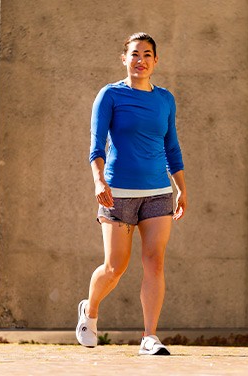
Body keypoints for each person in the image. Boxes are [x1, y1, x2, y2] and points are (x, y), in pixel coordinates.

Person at [75, 32, 189, 356]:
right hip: (118, 193)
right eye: (135, 54)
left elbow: (172, 147)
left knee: (154, 262)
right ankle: (91, 309)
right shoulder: (110, 96)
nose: (141, 60)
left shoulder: (165, 99)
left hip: (157, 193)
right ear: (124, 58)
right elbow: (96, 147)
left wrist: (181, 187)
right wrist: (99, 181)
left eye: (147, 55)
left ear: (156, 61)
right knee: (115, 267)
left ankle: (149, 336)